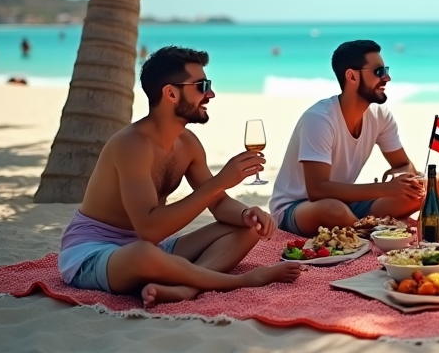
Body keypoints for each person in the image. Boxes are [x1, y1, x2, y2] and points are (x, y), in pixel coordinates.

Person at [57, 46, 299, 308]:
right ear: (171, 93)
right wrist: (219, 181)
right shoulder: (131, 144)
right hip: (94, 254)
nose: (211, 94)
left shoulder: (188, 144)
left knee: (249, 228)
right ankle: (242, 281)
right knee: (143, 253)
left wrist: (247, 213)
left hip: (150, 249)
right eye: (202, 85)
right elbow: (149, 230)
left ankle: (187, 287)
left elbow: (218, 204)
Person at [269, 39, 439, 236]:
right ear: (352, 76)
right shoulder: (319, 119)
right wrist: (384, 189)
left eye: (386, 70)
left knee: (435, 184)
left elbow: (404, 165)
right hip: (298, 208)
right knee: (332, 209)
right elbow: (317, 190)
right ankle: (374, 233)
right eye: (379, 71)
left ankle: (363, 228)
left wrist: (401, 179)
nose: (387, 77)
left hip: (347, 203)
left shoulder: (380, 115)